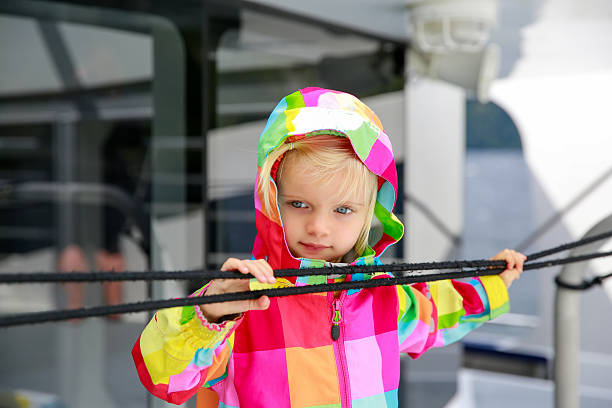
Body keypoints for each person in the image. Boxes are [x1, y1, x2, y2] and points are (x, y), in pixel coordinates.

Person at [132, 87, 526, 407]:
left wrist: (492, 282)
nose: (318, 227)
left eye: (342, 209)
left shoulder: (382, 296)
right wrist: (209, 312)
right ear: (271, 200)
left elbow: (438, 311)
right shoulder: (241, 302)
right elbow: (165, 377)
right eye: (299, 204)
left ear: (371, 213)